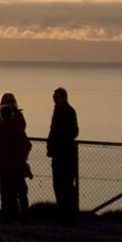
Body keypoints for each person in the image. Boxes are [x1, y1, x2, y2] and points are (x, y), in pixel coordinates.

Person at [0, 93, 31, 222]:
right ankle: (23, 216)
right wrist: (23, 158)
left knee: (6, 192)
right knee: (21, 191)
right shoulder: (18, 124)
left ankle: (7, 216)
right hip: (17, 164)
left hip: (3, 165)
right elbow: (27, 145)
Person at [46, 87, 79, 224]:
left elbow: (74, 131)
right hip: (58, 154)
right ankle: (63, 213)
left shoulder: (68, 112)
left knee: (66, 185)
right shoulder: (57, 111)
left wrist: (59, 140)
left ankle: (69, 215)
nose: (55, 100)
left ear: (64, 97)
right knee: (58, 185)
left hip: (65, 155)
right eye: (54, 97)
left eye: (57, 97)